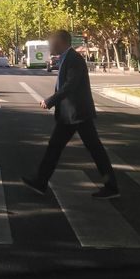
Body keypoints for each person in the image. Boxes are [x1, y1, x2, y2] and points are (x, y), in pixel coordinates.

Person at [23, 29, 119, 199]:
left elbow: (70, 86)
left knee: (93, 149)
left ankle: (111, 186)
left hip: (77, 113)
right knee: (58, 147)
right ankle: (41, 181)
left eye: (51, 42)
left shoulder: (74, 59)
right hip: (71, 113)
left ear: (61, 42)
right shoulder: (67, 58)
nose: (50, 46)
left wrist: (50, 100)